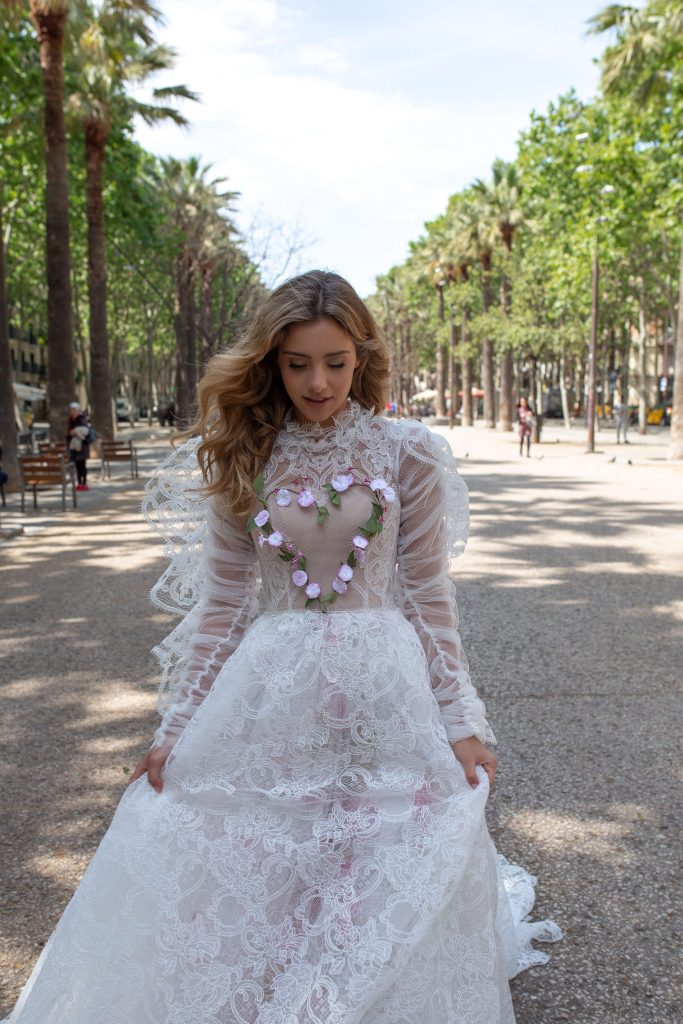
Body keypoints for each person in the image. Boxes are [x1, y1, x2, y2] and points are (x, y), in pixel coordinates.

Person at [4, 271, 560, 1024]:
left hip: (382, 684)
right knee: (264, 834)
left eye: (334, 361)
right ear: (271, 363)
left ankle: (356, 980)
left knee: (387, 828)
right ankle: (279, 968)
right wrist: (174, 729)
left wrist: (460, 720)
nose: (317, 381)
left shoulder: (409, 453)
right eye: (297, 363)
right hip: (271, 686)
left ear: (361, 356)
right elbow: (226, 606)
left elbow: (428, 595)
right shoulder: (244, 452)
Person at [65, 401, 91, 491]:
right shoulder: (71, 419)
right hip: (74, 446)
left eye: (73, 410)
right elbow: (68, 432)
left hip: (82, 446)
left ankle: (84, 483)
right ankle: (79, 482)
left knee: (82, 465)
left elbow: (85, 431)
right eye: (71, 410)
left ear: (77, 410)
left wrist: (75, 431)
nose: (71, 411)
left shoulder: (81, 419)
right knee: (77, 465)